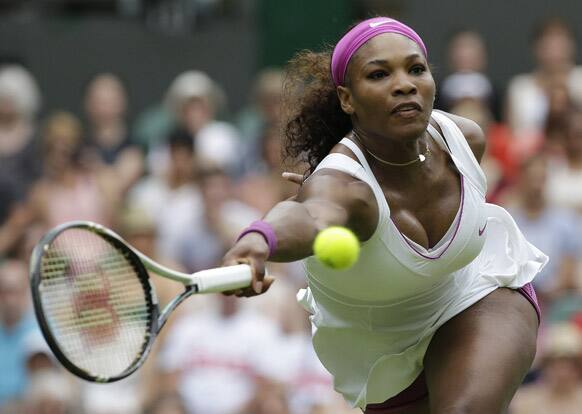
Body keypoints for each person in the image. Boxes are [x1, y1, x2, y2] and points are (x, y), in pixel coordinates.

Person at [221, 17, 548, 414]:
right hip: (382, 362)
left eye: (416, 69)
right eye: (379, 74)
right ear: (347, 98)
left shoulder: (466, 138)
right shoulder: (344, 186)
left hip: (478, 294)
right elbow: (309, 216)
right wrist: (259, 240)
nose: (404, 84)